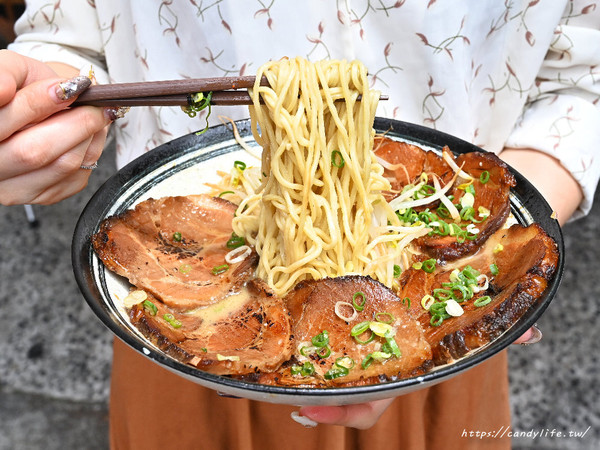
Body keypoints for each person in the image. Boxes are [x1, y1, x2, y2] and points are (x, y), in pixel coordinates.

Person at [2, 1, 598, 448]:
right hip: (187, 325)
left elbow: (583, 82)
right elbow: (70, 35)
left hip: (438, 327)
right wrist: (40, 109)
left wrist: (499, 248)